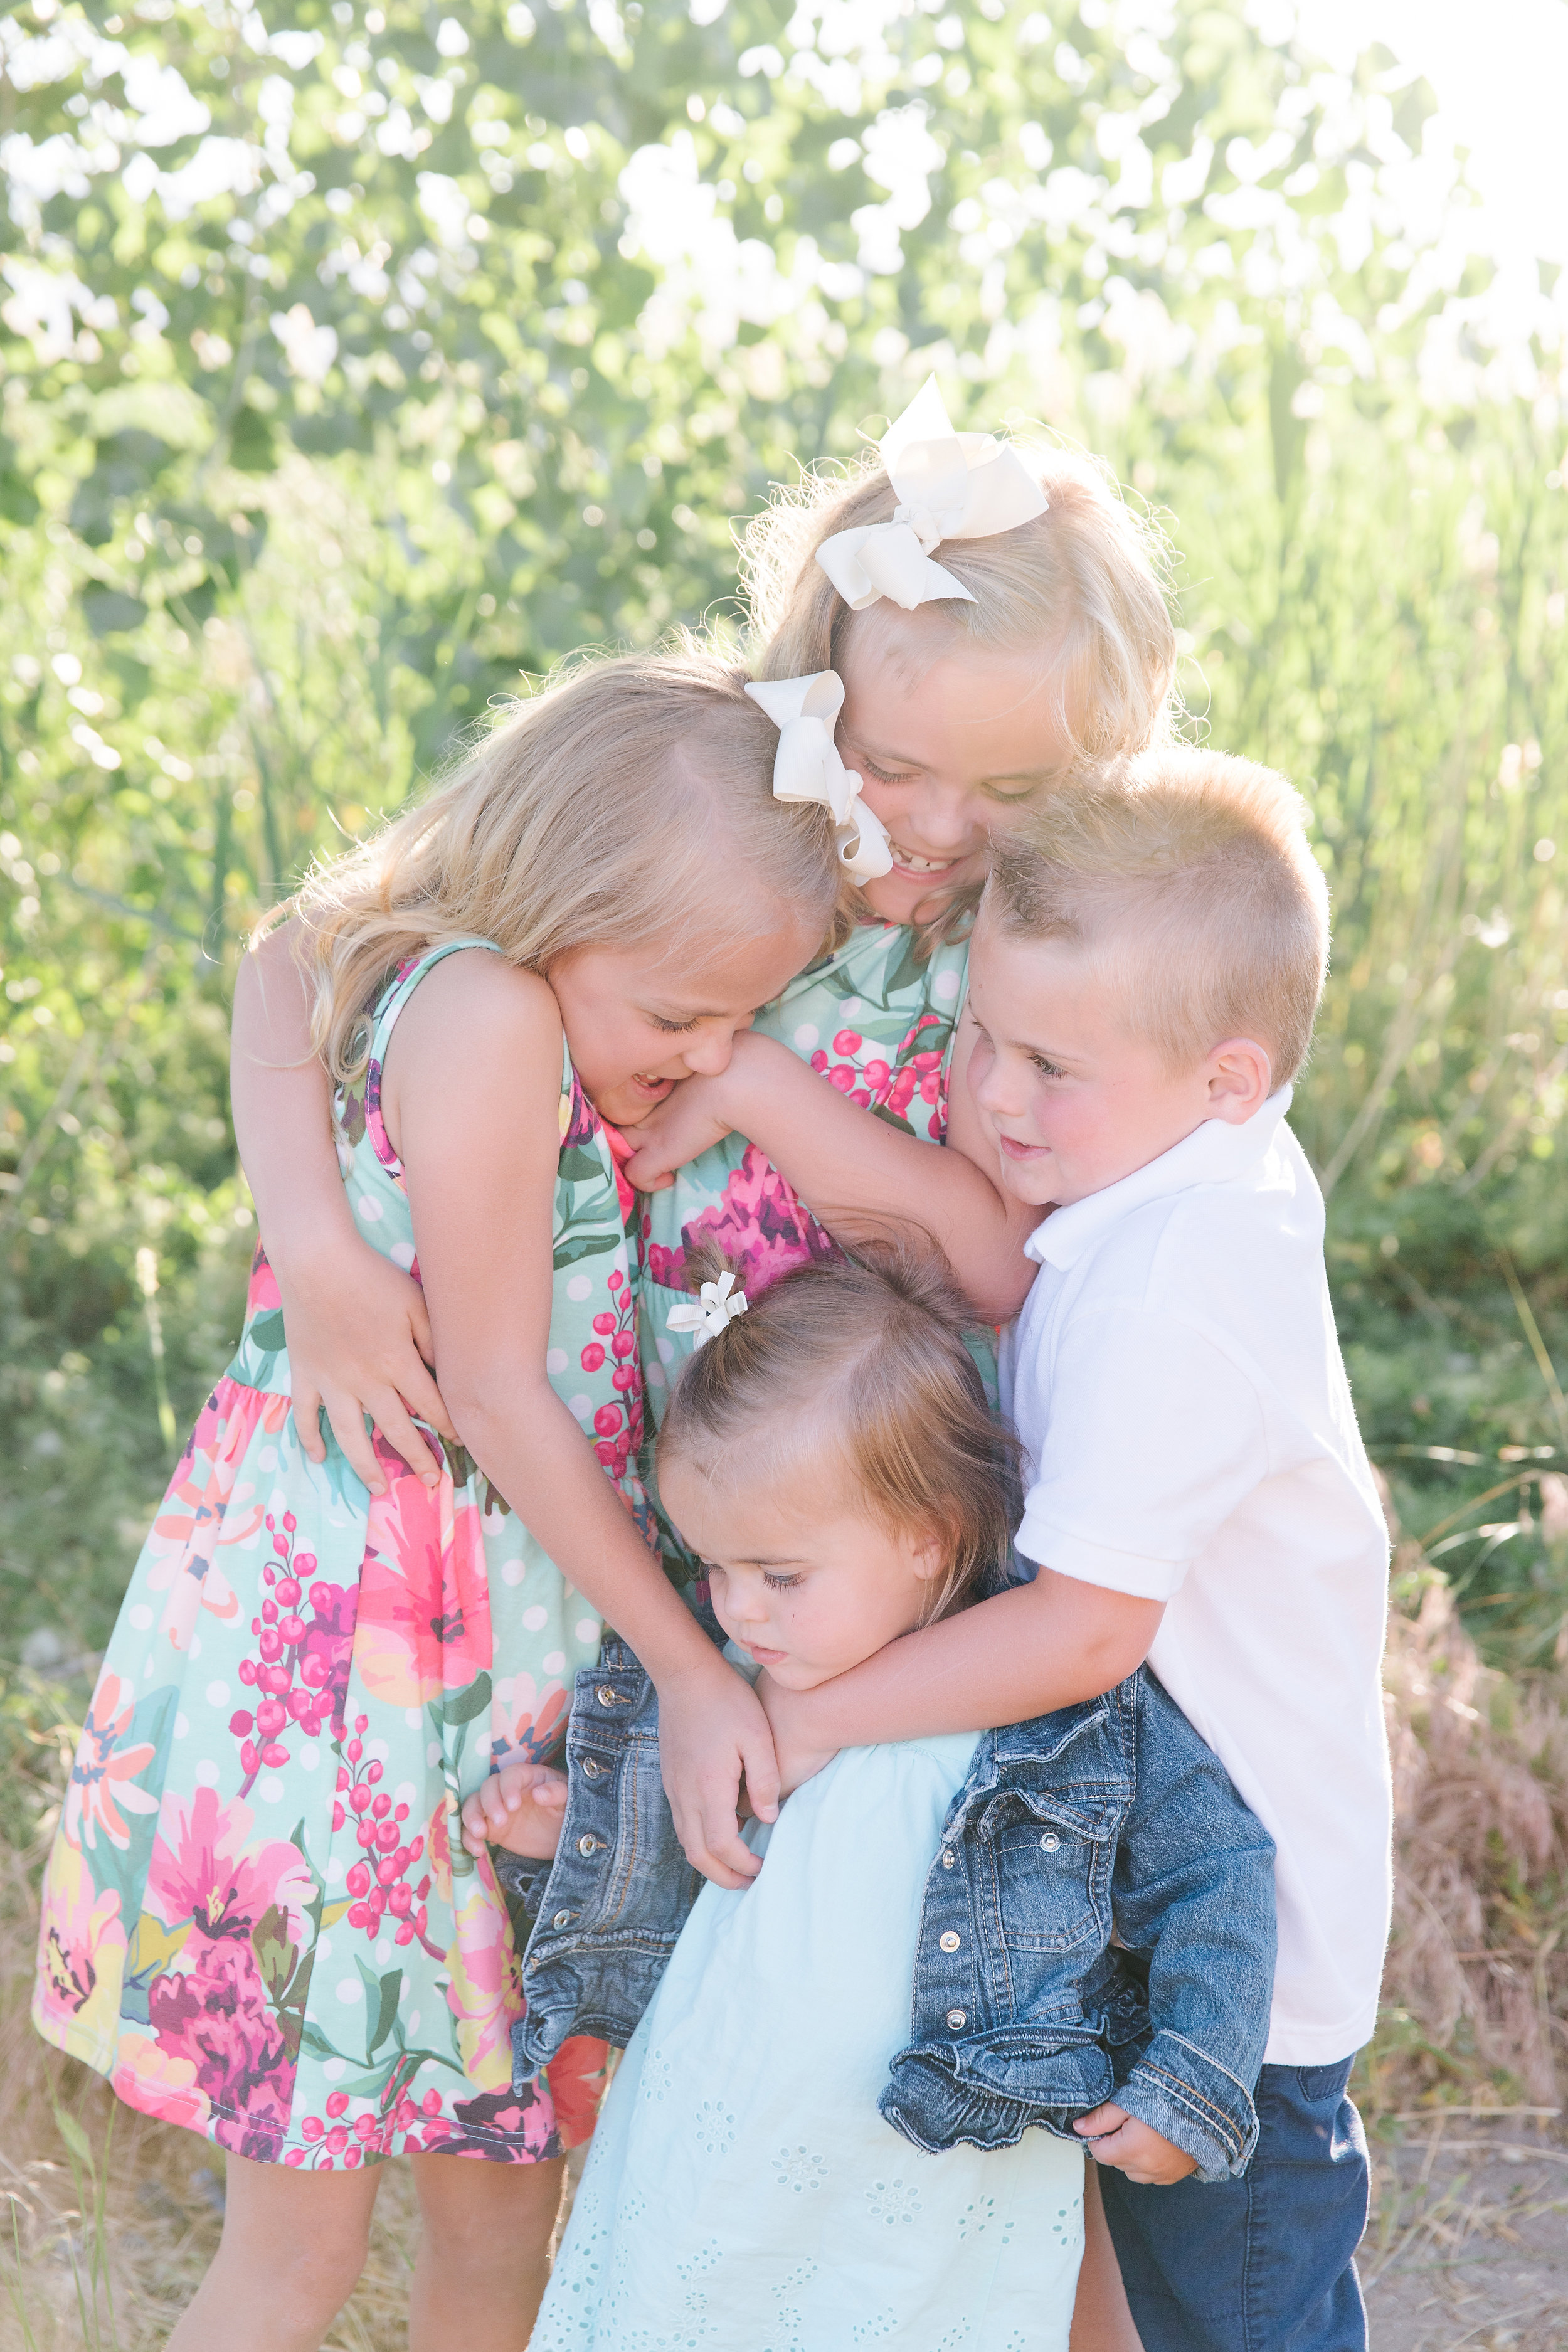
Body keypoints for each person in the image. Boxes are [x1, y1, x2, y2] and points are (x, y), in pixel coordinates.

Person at [31, 651, 842, 2352]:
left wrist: (313, 1224)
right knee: (304, 2252)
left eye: (741, 1022)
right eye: (680, 1016)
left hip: (469, 1671)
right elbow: (490, 1389)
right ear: (558, 903)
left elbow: (285, 951)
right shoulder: (488, 1011)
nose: (709, 1057)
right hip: (376, 1694)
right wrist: (688, 1669)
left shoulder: (473, 977)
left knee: (500, 2214)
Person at [682, 748, 1391, 2351]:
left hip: (1230, 1946)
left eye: (1050, 1065)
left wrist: (808, 1714)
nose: (996, 1097)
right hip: (1137, 1873)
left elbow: (1081, 1630)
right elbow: (994, 1272)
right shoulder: (1163, 1173)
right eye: (979, 1036)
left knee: (1242, 2313)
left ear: (1226, 1076)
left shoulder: (1179, 1286)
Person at [463, 1243, 1276, 2351]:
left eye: (780, 1575)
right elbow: (674, 1877)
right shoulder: (735, 1693)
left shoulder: (1060, 1709)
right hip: (728, 2139)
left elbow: (1216, 1869)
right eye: (715, 1568)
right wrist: (559, 1833)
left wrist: (1191, 2081)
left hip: (933, 2177)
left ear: (925, 1537)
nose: (740, 1608)